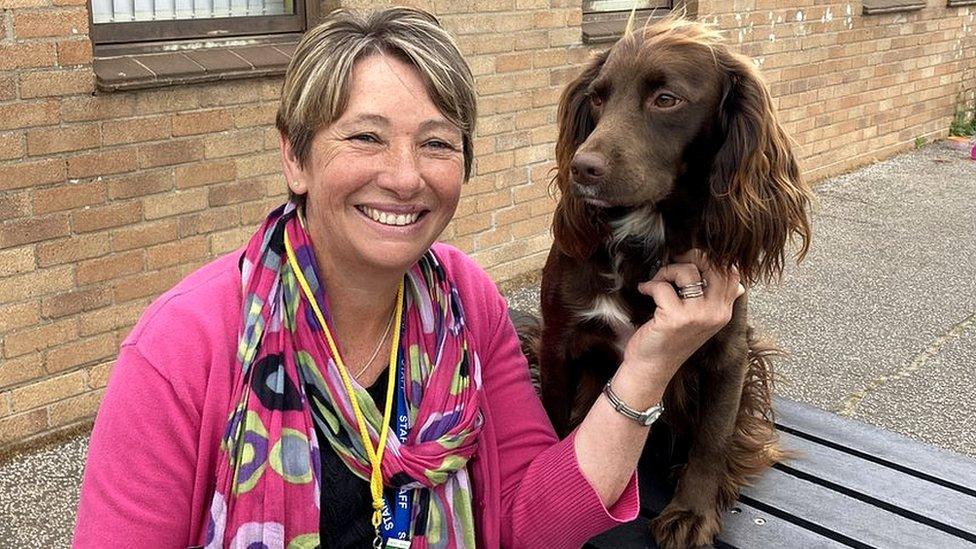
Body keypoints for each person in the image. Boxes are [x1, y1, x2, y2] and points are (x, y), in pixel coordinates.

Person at [73, 7, 743, 548]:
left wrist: (650, 363)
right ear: (295, 158)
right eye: (365, 137)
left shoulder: (467, 302)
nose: (404, 176)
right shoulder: (180, 346)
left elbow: (533, 522)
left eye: (436, 142)